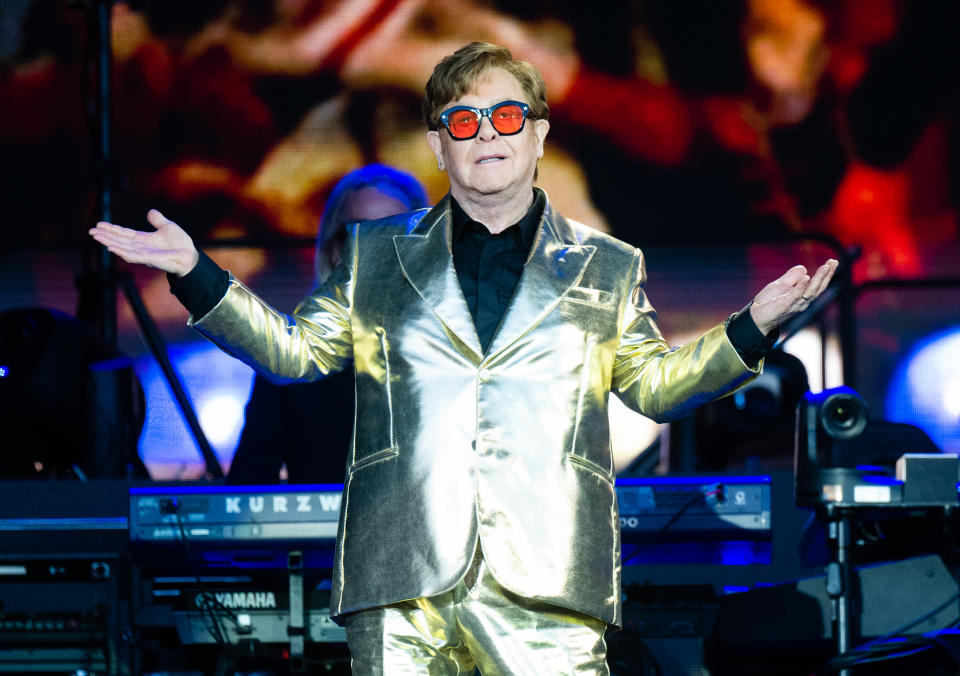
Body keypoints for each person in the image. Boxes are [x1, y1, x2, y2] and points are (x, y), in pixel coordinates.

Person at [91, 41, 837, 674]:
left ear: (539, 136)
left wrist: (753, 326)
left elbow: (654, 386)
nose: (488, 134)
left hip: (548, 584)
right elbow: (293, 355)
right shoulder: (375, 256)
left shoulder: (606, 266)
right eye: (464, 120)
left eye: (508, 116)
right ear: (441, 147)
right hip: (402, 584)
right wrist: (194, 271)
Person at [228, 164, 428, 484]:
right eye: (363, 231)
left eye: (395, 232)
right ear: (336, 251)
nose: (379, 247)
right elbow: (247, 490)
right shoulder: (290, 357)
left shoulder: (454, 353)